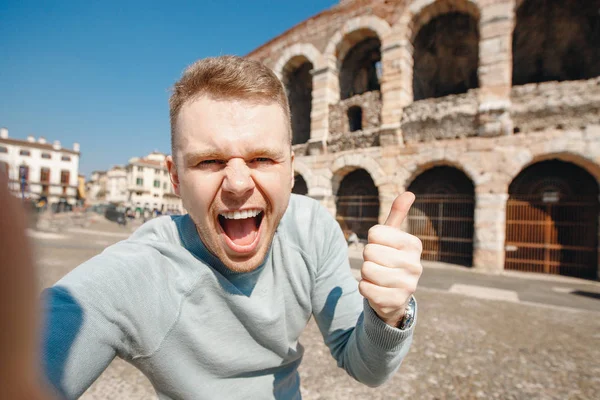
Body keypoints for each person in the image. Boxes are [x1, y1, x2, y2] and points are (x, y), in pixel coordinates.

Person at [2, 55, 423, 399]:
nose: (238, 184)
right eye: (209, 161)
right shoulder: (140, 272)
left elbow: (366, 367)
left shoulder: (313, 228)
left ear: (291, 169)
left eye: (262, 158)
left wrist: (387, 313)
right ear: (175, 179)